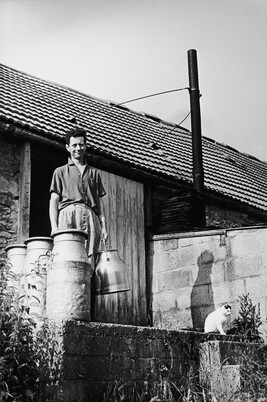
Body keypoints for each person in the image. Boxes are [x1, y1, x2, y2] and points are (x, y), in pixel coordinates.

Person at [49, 127, 108, 264]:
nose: (78, 148)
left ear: (85, 146)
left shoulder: (94, 173)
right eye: (74, 145)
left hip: (90, 217)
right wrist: (54, 227)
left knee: (90, 258)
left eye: (81, 144)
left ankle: (88, 285)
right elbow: (53, 201)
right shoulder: (60, 172)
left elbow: (99, 202)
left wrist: (104, 226)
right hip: (67, 215)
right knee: (68, 255)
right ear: (67, 147)